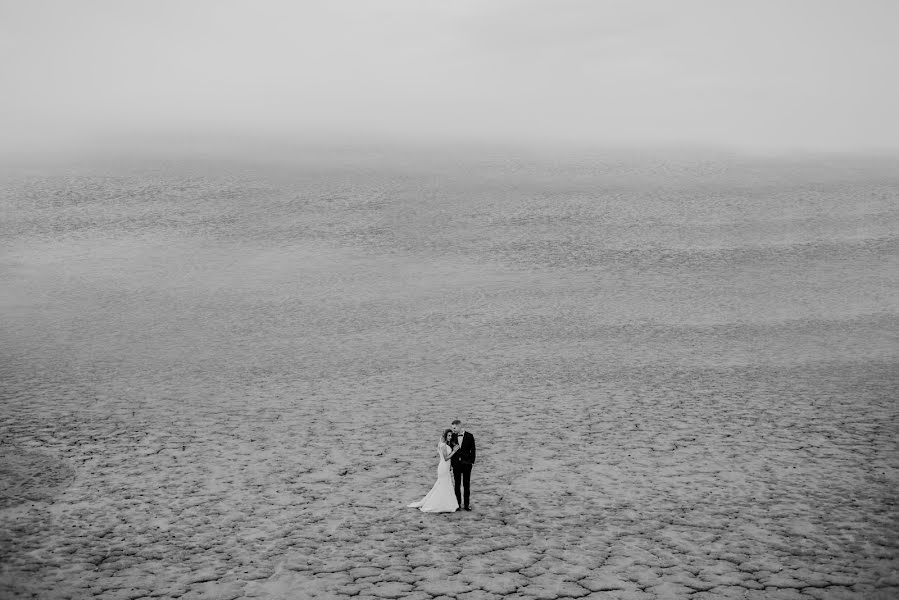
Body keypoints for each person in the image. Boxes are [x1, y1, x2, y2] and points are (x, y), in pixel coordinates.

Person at [407, 429, 460, 513]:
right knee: (443, 485)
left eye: (451, 435)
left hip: (445, 467)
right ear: (445, 436)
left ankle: (446, 503)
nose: (450, 437)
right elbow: (446, 458)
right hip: (443, 467)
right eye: (448, 435)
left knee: (444, 485)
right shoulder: (442, 445)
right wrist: (454, 451)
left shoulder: (443, 444)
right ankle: (439, 504)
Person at [450, 419, 476, 511]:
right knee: (457, 484)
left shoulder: (469, 436)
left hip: (466, 464)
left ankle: (466, 504)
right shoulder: (452, 436)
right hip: (456, 464)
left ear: (460, 426)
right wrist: (451, 464)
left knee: (466, 485)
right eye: (452, 428)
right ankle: (457, 504)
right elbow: (450, 450)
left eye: (455, 428)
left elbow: (473, 450)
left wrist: (471, 462)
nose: (453, 430)